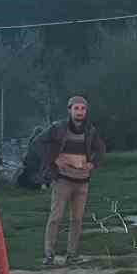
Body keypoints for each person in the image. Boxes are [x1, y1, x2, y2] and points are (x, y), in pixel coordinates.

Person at [39, 96, 106, 265]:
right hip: (62, 180)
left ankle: (72, 255)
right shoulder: (58, 128)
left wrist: (93, 163)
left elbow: (101, 148)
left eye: (83, 109)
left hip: (82, 181)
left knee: (77, 219)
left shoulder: (90, 130)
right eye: (76, 108)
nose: (80, 112)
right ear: (69, 110)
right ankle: (49, 255)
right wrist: (53, 159)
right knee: (56, 218)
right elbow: (40, 142)